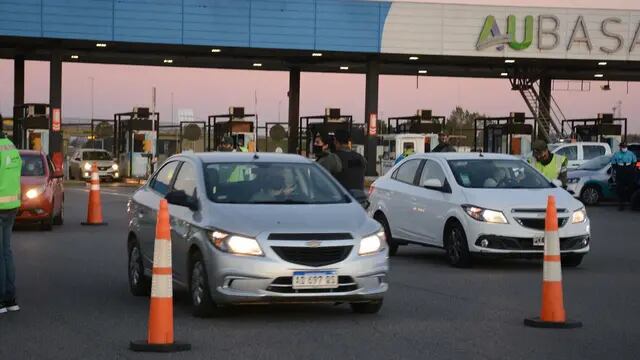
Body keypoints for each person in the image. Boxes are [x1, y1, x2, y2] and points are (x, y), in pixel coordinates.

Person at [0, 124, 22, 314]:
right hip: (12, 206)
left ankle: (0, 301)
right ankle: (10, 299)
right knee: (6, 252)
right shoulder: (11, 146)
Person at [611, 141, 638, 211]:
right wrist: (618, 169)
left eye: (625, 147)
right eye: (622, 147)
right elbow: (613, 164)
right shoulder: (616, 154)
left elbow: (635, 162)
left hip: (629, 171)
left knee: (631, 188)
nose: (624, 148)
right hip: (620, 171)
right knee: (620, 189)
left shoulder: (631, 154)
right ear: (620, 147)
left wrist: (632, 168)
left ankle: (632, 204)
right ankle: (621, 205)